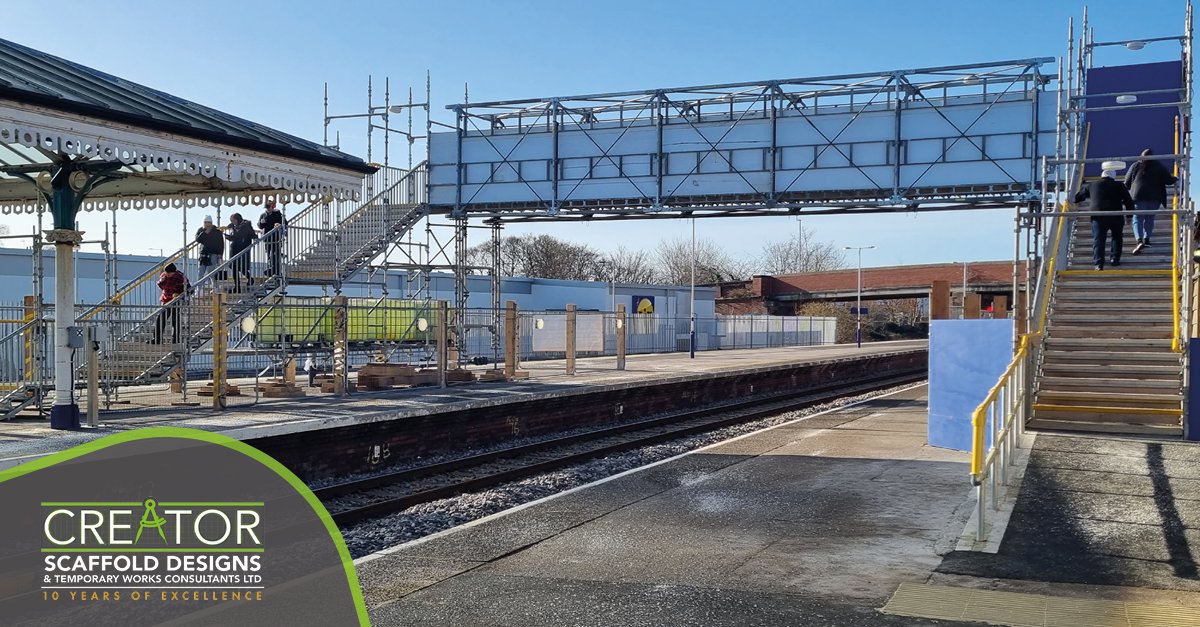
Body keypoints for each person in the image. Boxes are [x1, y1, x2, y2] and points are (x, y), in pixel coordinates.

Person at [1074, 168, 1135, 270]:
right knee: (1117, 237)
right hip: (1116, 215)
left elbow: (1079, 196)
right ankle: (1114, 259)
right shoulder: (1119, 186)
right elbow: (1128, 201)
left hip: (1098, 216)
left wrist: (1074, 199)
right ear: (1113, 177)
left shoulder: (1093, 185)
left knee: (1098, 240)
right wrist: (1129, 216)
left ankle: (1098, 263)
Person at [1124, 148, 1178, 254]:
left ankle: (1139, 240)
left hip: (1138, 196)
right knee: (1150, 218)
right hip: (1155, 197)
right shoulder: (1159, 166)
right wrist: (1175, 178)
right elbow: (1168, 180)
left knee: (1138, 218)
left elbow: (1127, 182)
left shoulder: (1135, 165)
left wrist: (1129, 191)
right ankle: (1147, 240)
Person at [153, 263, 189, 344]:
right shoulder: (164, 276)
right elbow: (163, 287)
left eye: (169, 273)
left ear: (174, 272)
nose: (167, 275)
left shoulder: (180, 277)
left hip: (176, 301)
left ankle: (176, 339)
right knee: (160, 319)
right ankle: (157, 339)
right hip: (166, 300)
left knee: (175, 321)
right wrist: (160, 282)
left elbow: (188, 289)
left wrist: (179, 295)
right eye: (166, 273)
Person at [224, 213, 257, 291]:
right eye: (231, 221)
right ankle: (237, 286)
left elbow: (252, 235)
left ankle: (249, 279)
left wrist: (255, 238)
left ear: (238, 219)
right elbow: (235, 237)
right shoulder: (233, 226)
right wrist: (229, 237)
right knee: (234, 267)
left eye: (233, 220)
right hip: (234, 249)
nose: (232, 222)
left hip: (243, 249)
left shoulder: (246, 226)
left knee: (241, 267)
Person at [257, 200, 286, 278]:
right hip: (267, 238)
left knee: (275, 255)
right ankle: (272, 270)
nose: (268, 209)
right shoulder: (263, 215)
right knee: (269, 255)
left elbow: (284, 223)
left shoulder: (278, 214)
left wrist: (279, 224)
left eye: (269, 207)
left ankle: (275, 271)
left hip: (276, 238)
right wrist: (261, 223)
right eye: (267, 208)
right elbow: (259, 226)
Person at [195, 215, 225, 284]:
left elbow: (221, 244)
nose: (207, 224)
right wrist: (205, 233)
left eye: (209, 222)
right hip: (203, 254)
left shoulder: (217, 231)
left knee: (210, 272)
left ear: (211, 223)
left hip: (213, 254)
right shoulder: (201, 230)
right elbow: (198, 239)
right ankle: (198, 290)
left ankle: (215, 287)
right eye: (205, 222)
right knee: (200, 273)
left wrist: (220, 254)